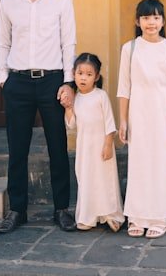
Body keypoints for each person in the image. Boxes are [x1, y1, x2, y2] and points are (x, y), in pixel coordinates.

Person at [0, 0, 76, 234]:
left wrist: (68, 83)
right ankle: (17, 210)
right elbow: (2, 43)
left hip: (52, 81)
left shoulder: (62, 1)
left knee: (57, 146)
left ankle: (62, 209)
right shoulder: (8, 2)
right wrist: (4, 77)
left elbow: (69, 43)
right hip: (18, 82)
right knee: (18, 148)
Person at [117, 0, 166, 239]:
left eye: (156, 17)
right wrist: (123, 120)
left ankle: (162, 217)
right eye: (146, 17)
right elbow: (124, 88)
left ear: (163, 21)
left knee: (161, 163)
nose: (151, 22)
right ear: (137, 21)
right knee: (139, 163)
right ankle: (136, 216)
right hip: (138, 112)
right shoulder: (130, 48)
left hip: (162, 112)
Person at [64, 52, 123, 232]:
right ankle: (88, 216)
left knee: (104, 179)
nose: (83, 78)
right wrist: (68, 108)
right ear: (74, 74)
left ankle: (111, 215)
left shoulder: (101, 96)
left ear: (96, 77)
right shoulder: (76, 98)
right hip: (84, 148)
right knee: (86, 179)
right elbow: (72, 124)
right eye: (80, 73)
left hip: (101, 146)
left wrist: (107, 145)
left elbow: (109, 123)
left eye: (89, 74)